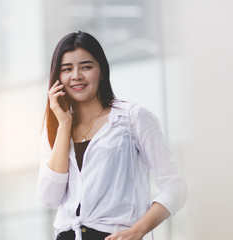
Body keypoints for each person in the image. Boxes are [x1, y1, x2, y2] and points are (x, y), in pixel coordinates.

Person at [37, 31, 187, 240]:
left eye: (86, 66)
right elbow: (50, 198)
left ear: (101, 70)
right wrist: (63, 125)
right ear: (57, 77)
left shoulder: (133, 117)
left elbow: (175, 187)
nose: (76, 75)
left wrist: (139, 229)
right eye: (67, 69)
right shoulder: (55, 129)